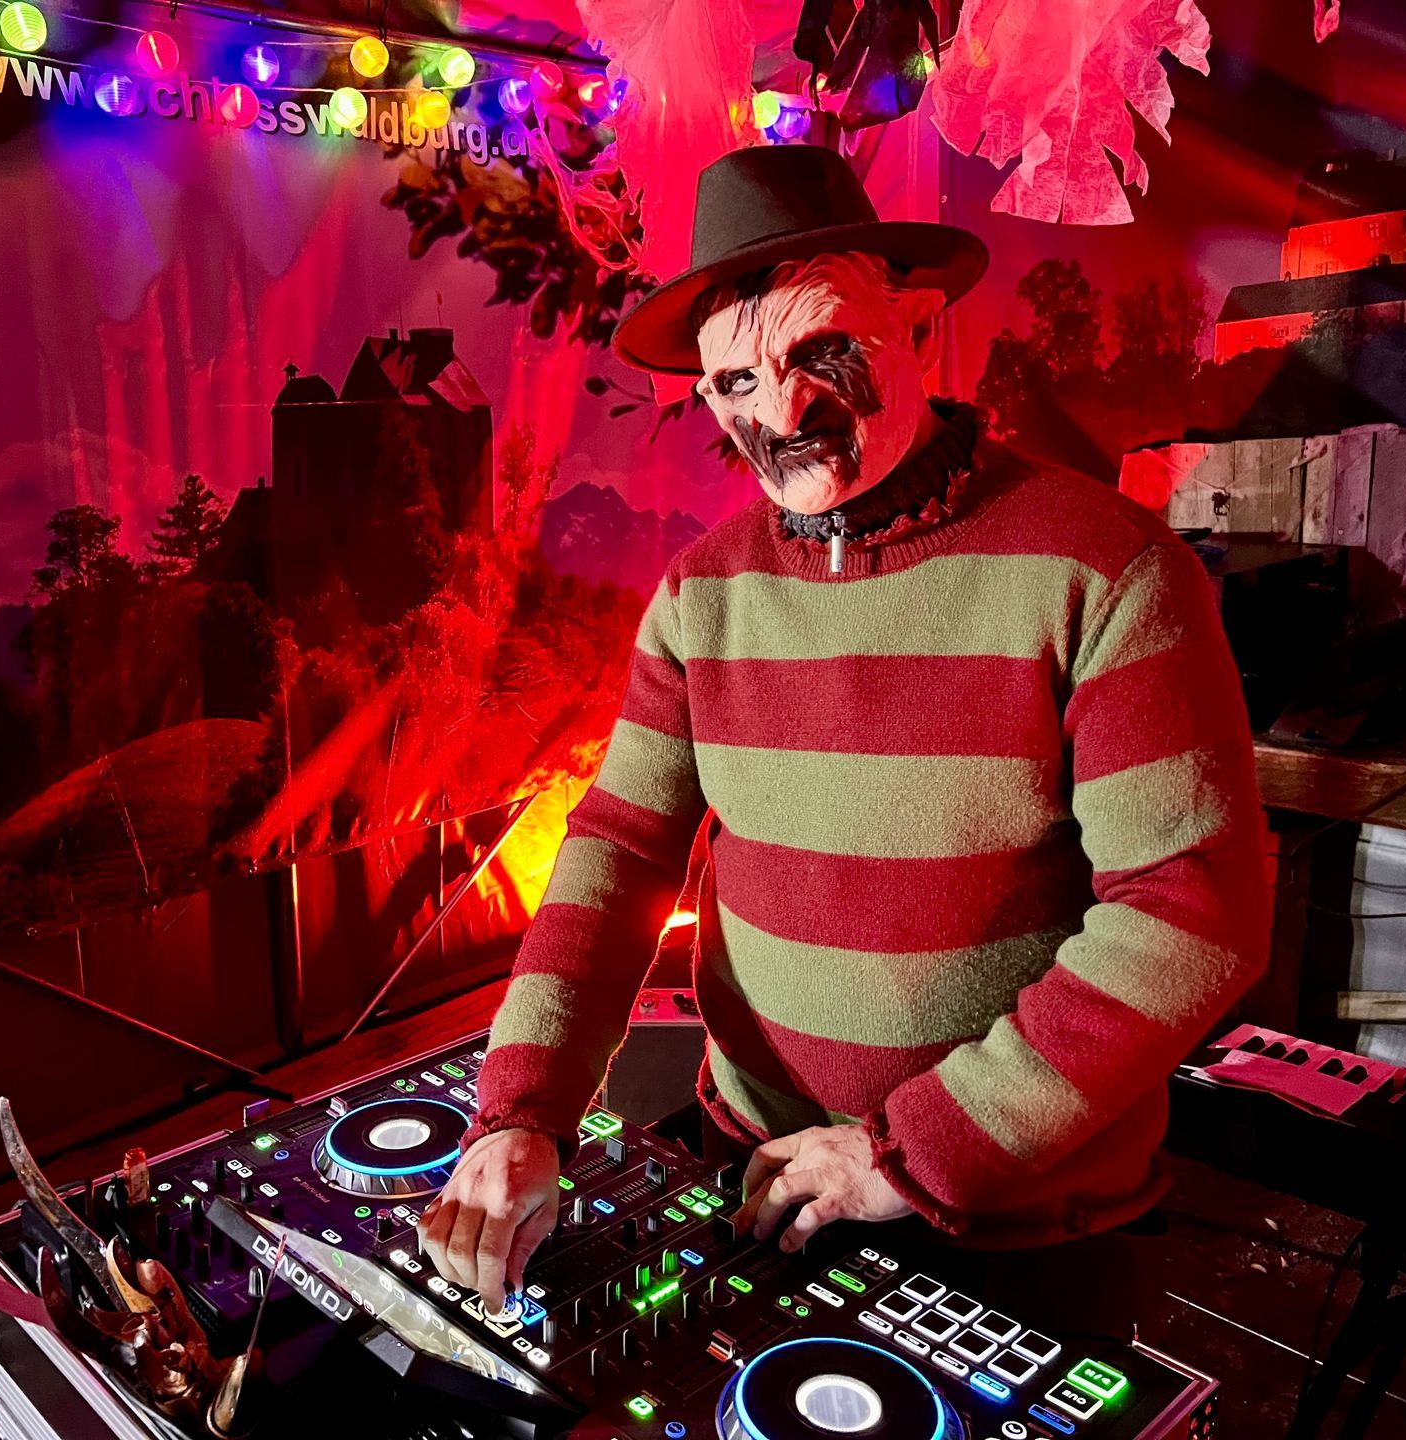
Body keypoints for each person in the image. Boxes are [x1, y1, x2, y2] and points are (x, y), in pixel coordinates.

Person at [417, 145, 1269, 1316]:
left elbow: (1190, 908)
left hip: (1017, 1224)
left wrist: (913, 1150)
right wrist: (522, 1110)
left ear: (914, 325)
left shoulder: (1108, 568)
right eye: (736, 382)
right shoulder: (702, 593)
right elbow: (618, 850)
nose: (782, 411)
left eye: (821, 353)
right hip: (757, 1173)